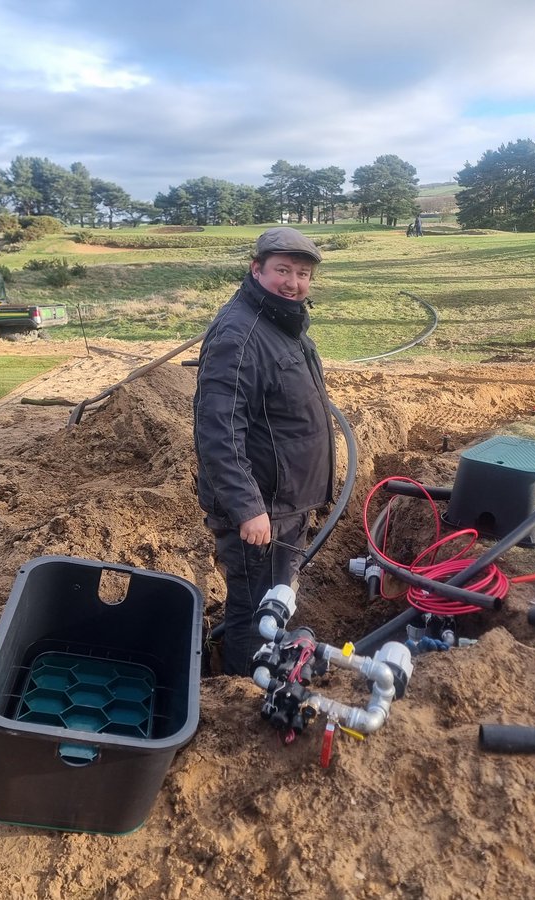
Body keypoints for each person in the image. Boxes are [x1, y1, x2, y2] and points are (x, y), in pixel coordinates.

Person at [193, 227, 335, 676]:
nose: (293, 282)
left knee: (272, 600)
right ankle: (240, 695)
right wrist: (248, 507)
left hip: (285, 500)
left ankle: (265, 670)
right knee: (253, 615)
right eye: (283, 270)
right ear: (257, 270)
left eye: (302, 273)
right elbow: (218, 430)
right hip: (263, 512)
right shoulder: (241, 334)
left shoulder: (280, 321)